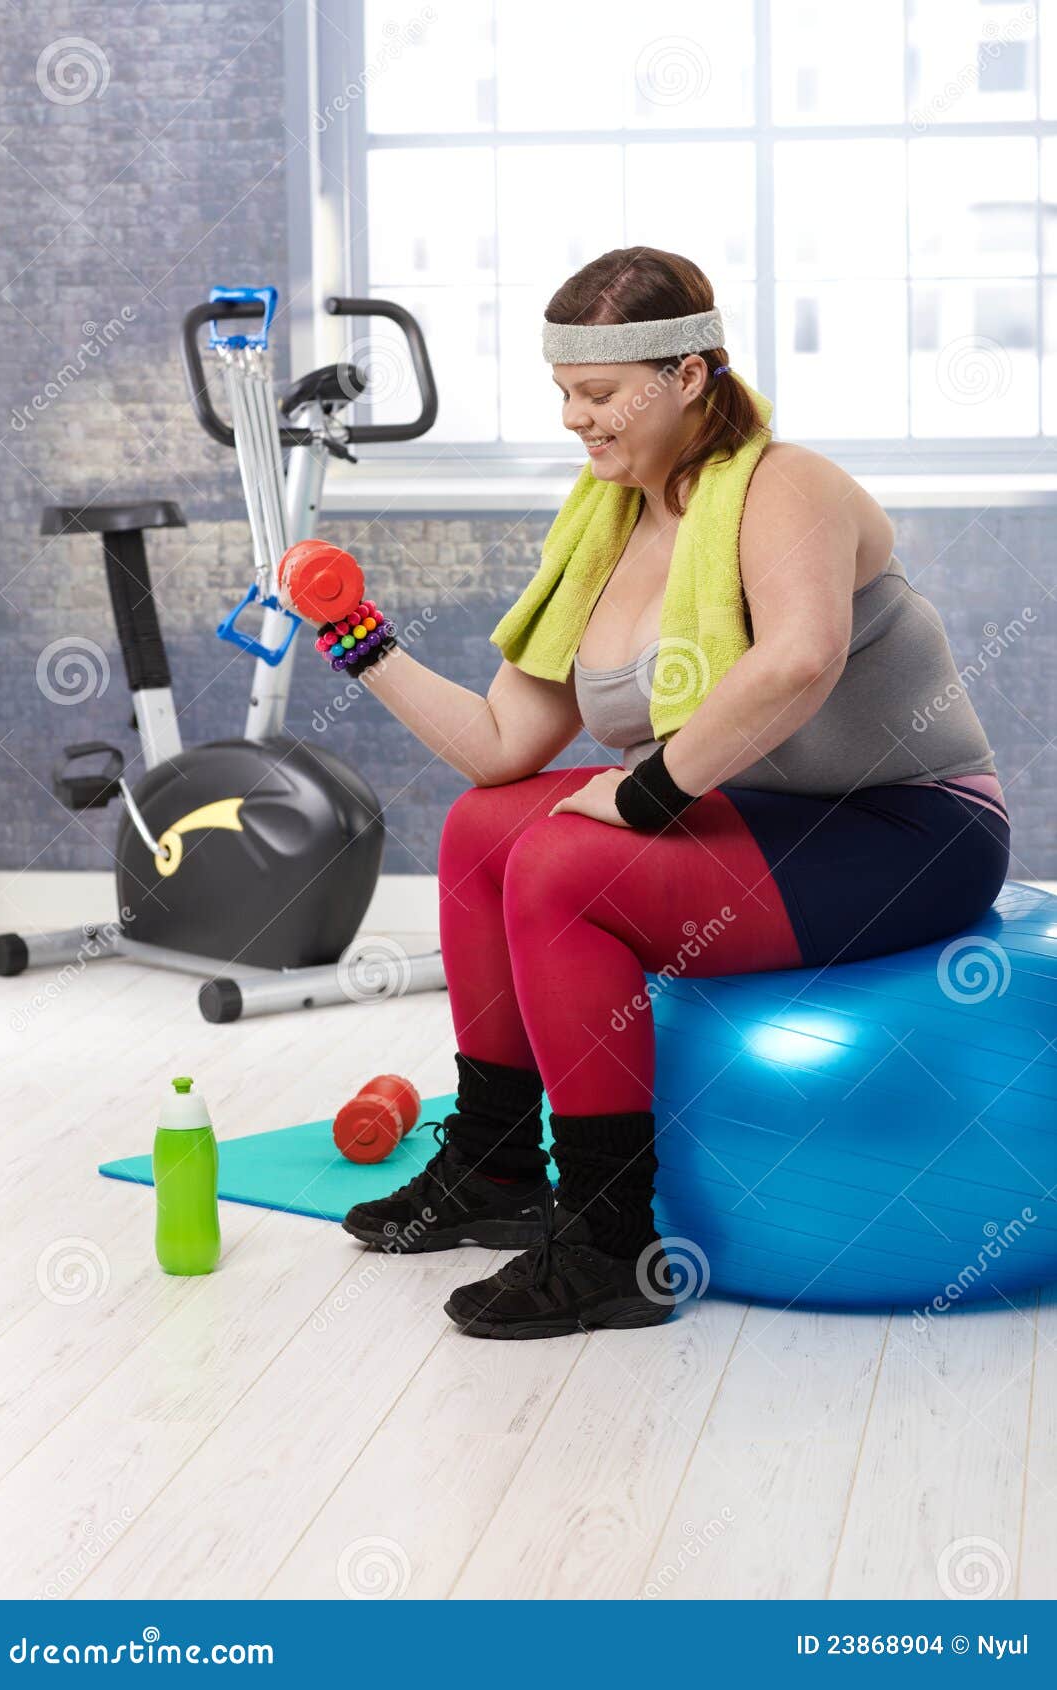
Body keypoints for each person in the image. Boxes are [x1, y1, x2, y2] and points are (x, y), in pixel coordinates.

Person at [323, 246, 1010, 1340]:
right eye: (562, 393)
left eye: (595, 394)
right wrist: (354, 637)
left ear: (687, 376)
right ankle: (495, 1168)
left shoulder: (787, 484)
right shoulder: (605, 520)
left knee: (557, 861)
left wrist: (642, 797)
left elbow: (797, 661)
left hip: (907, 824)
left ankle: (607, 1243)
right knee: (484, 829)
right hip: (764, 813)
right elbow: (502, 745)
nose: (572, 419)